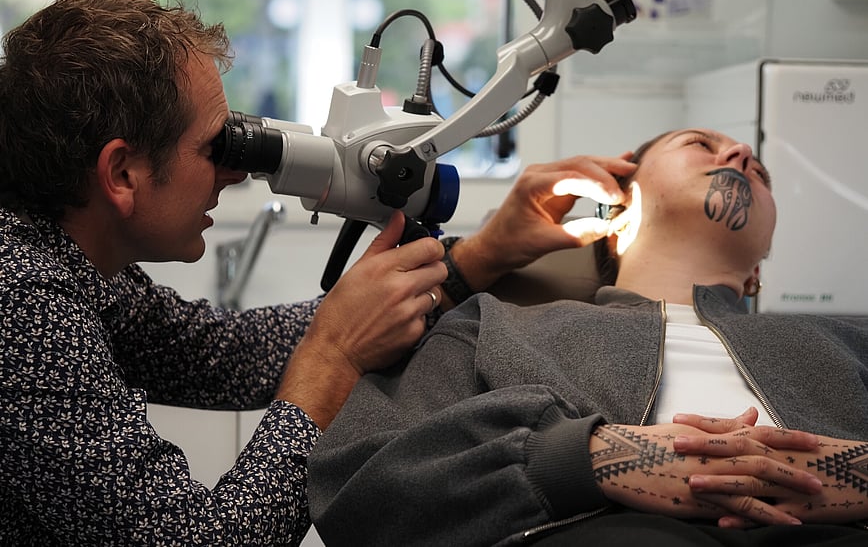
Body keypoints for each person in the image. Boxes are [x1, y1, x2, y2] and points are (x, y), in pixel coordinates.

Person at [0, 0, 637, 546]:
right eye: (214, 146)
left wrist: (481, 255)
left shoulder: (66, 262)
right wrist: (332, 356)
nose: (236, 171)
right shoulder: (24, 305)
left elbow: (223, 355)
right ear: (121, 174)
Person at [307, 127, 868, 547]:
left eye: (761, 174)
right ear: (621, 207)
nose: (741, 154)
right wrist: (584, 459)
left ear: (757, 274)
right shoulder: (492, 328)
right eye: (700, 144)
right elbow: (361, 485)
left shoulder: (846, 340)